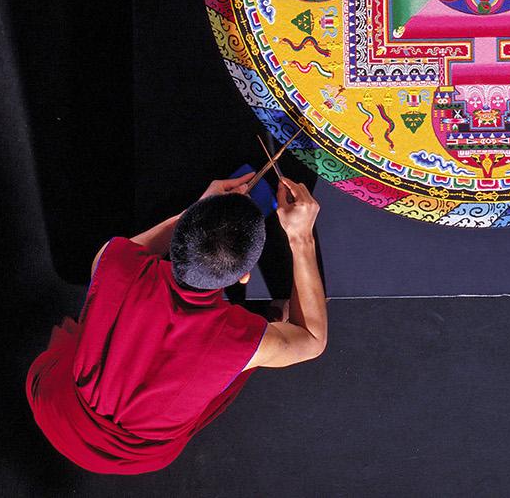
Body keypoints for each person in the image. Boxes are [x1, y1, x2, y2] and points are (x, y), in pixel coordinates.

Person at [26, 172, 327, 473]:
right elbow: (312, 339)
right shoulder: (238, 340)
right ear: (242, 277)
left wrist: (198, 210)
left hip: (57, 405)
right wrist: (301, 238)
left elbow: (140, 249)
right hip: (131, 455)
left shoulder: (113, 259)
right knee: (281, 322)